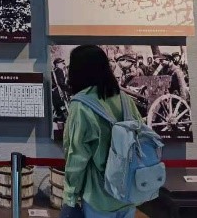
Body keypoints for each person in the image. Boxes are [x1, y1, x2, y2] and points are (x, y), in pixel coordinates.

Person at [61, 45, 143, 218]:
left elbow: (77, 156)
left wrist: (70, 196)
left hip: (99, 196)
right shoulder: (125, 99)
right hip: (128, 192)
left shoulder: (81, 105)